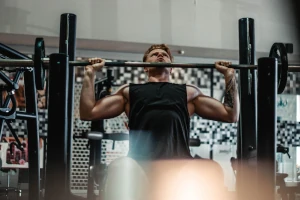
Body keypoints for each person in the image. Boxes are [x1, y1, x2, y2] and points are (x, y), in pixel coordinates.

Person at [80, 44, 240, 200]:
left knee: (211, 169)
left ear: (171, 67)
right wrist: (89, 74)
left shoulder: (188, 93)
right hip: (139, 163)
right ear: (145, 67)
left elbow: (230, 114)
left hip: (180, 163)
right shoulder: (130, 91)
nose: (160, 55)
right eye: (154, 54)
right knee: (119, 167)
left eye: (164, 55)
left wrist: (229, 76)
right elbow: (88, 112)